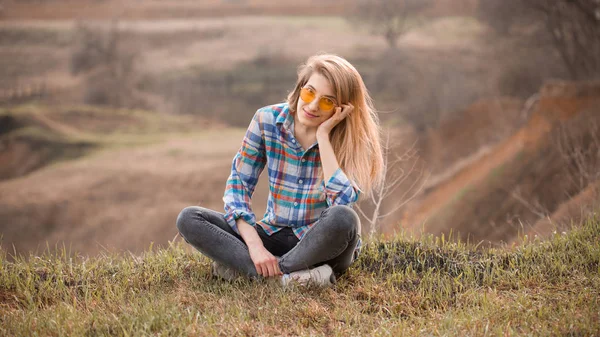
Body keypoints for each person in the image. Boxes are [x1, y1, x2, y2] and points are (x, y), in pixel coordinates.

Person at [176, 53, 384, 286]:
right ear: (300, 87)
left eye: (327, 101)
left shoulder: (347, 138)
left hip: (320, 246)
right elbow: (239, 185)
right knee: (190, 218)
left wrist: (324, 137)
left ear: (341, 109)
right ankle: (293, 278)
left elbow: (342, 202)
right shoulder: (267, 120)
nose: (313, 105)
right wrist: (255, 247)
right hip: (271, 235)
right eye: (310, 92)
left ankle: (260, 274)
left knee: (344, 219)